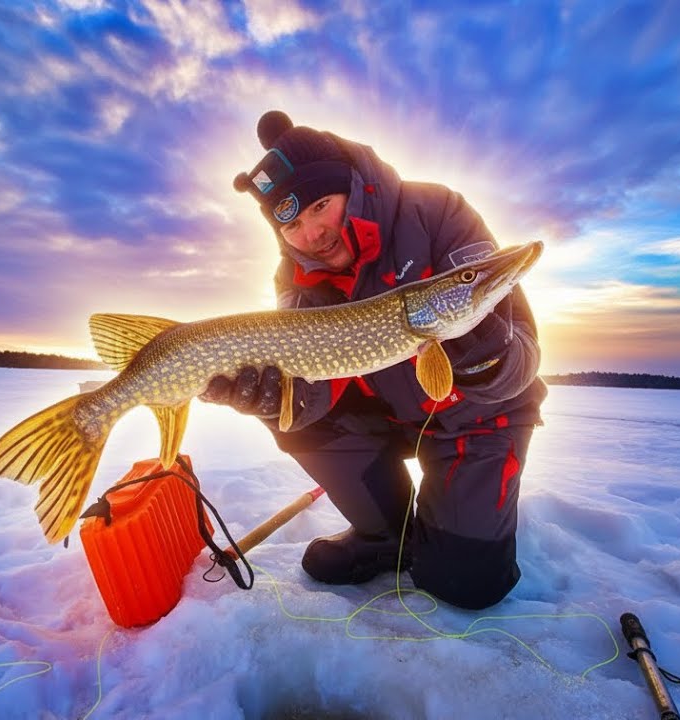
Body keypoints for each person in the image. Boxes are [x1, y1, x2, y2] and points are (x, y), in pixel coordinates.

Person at [201, 110, 546, 610]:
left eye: (321, 205)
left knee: (467, 583)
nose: (313, 233)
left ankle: (449, 527)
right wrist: (276, 400)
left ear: (351, 187)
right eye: (292, 224)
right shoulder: (293, 279)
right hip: (392, 417)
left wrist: (481, 354)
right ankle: (387, 534)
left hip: (478, 419)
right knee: (291, 417)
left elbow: (524, 362)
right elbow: (316, 391)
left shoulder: (436, 211)